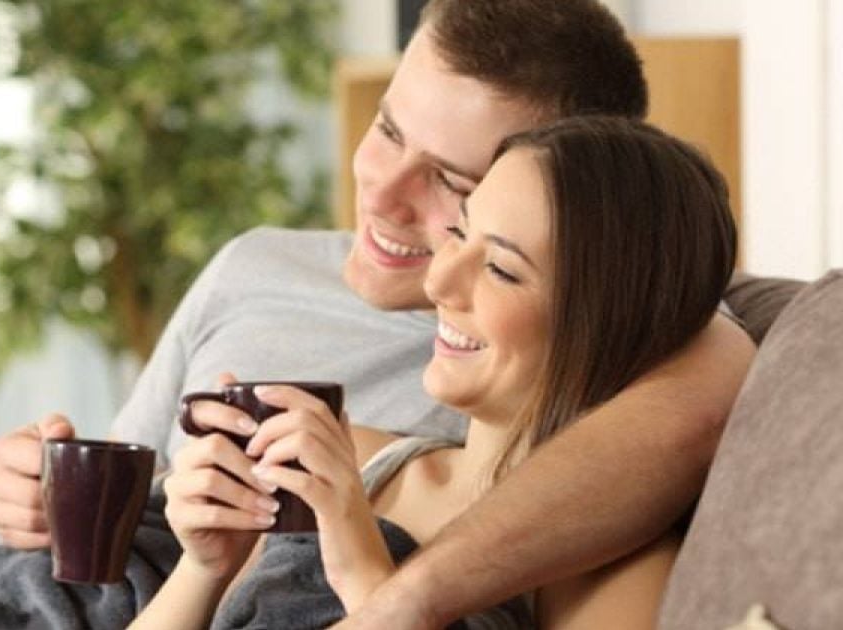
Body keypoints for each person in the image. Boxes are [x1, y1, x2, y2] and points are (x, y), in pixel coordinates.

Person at [0, 2, 754, 624]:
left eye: (452, 181)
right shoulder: (258, 270)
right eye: (388, 129)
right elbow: (124, 526)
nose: (382, 193)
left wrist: (386, 592)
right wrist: (35, 497)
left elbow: (699, 393)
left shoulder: (627, 372)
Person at [130, 115, 738, 629]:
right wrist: (205, 570)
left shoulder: (612, 571)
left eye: (500, 269)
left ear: (610, 325)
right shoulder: (356, 460)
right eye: (459, 233)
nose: (439, 281)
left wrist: (366, 576)